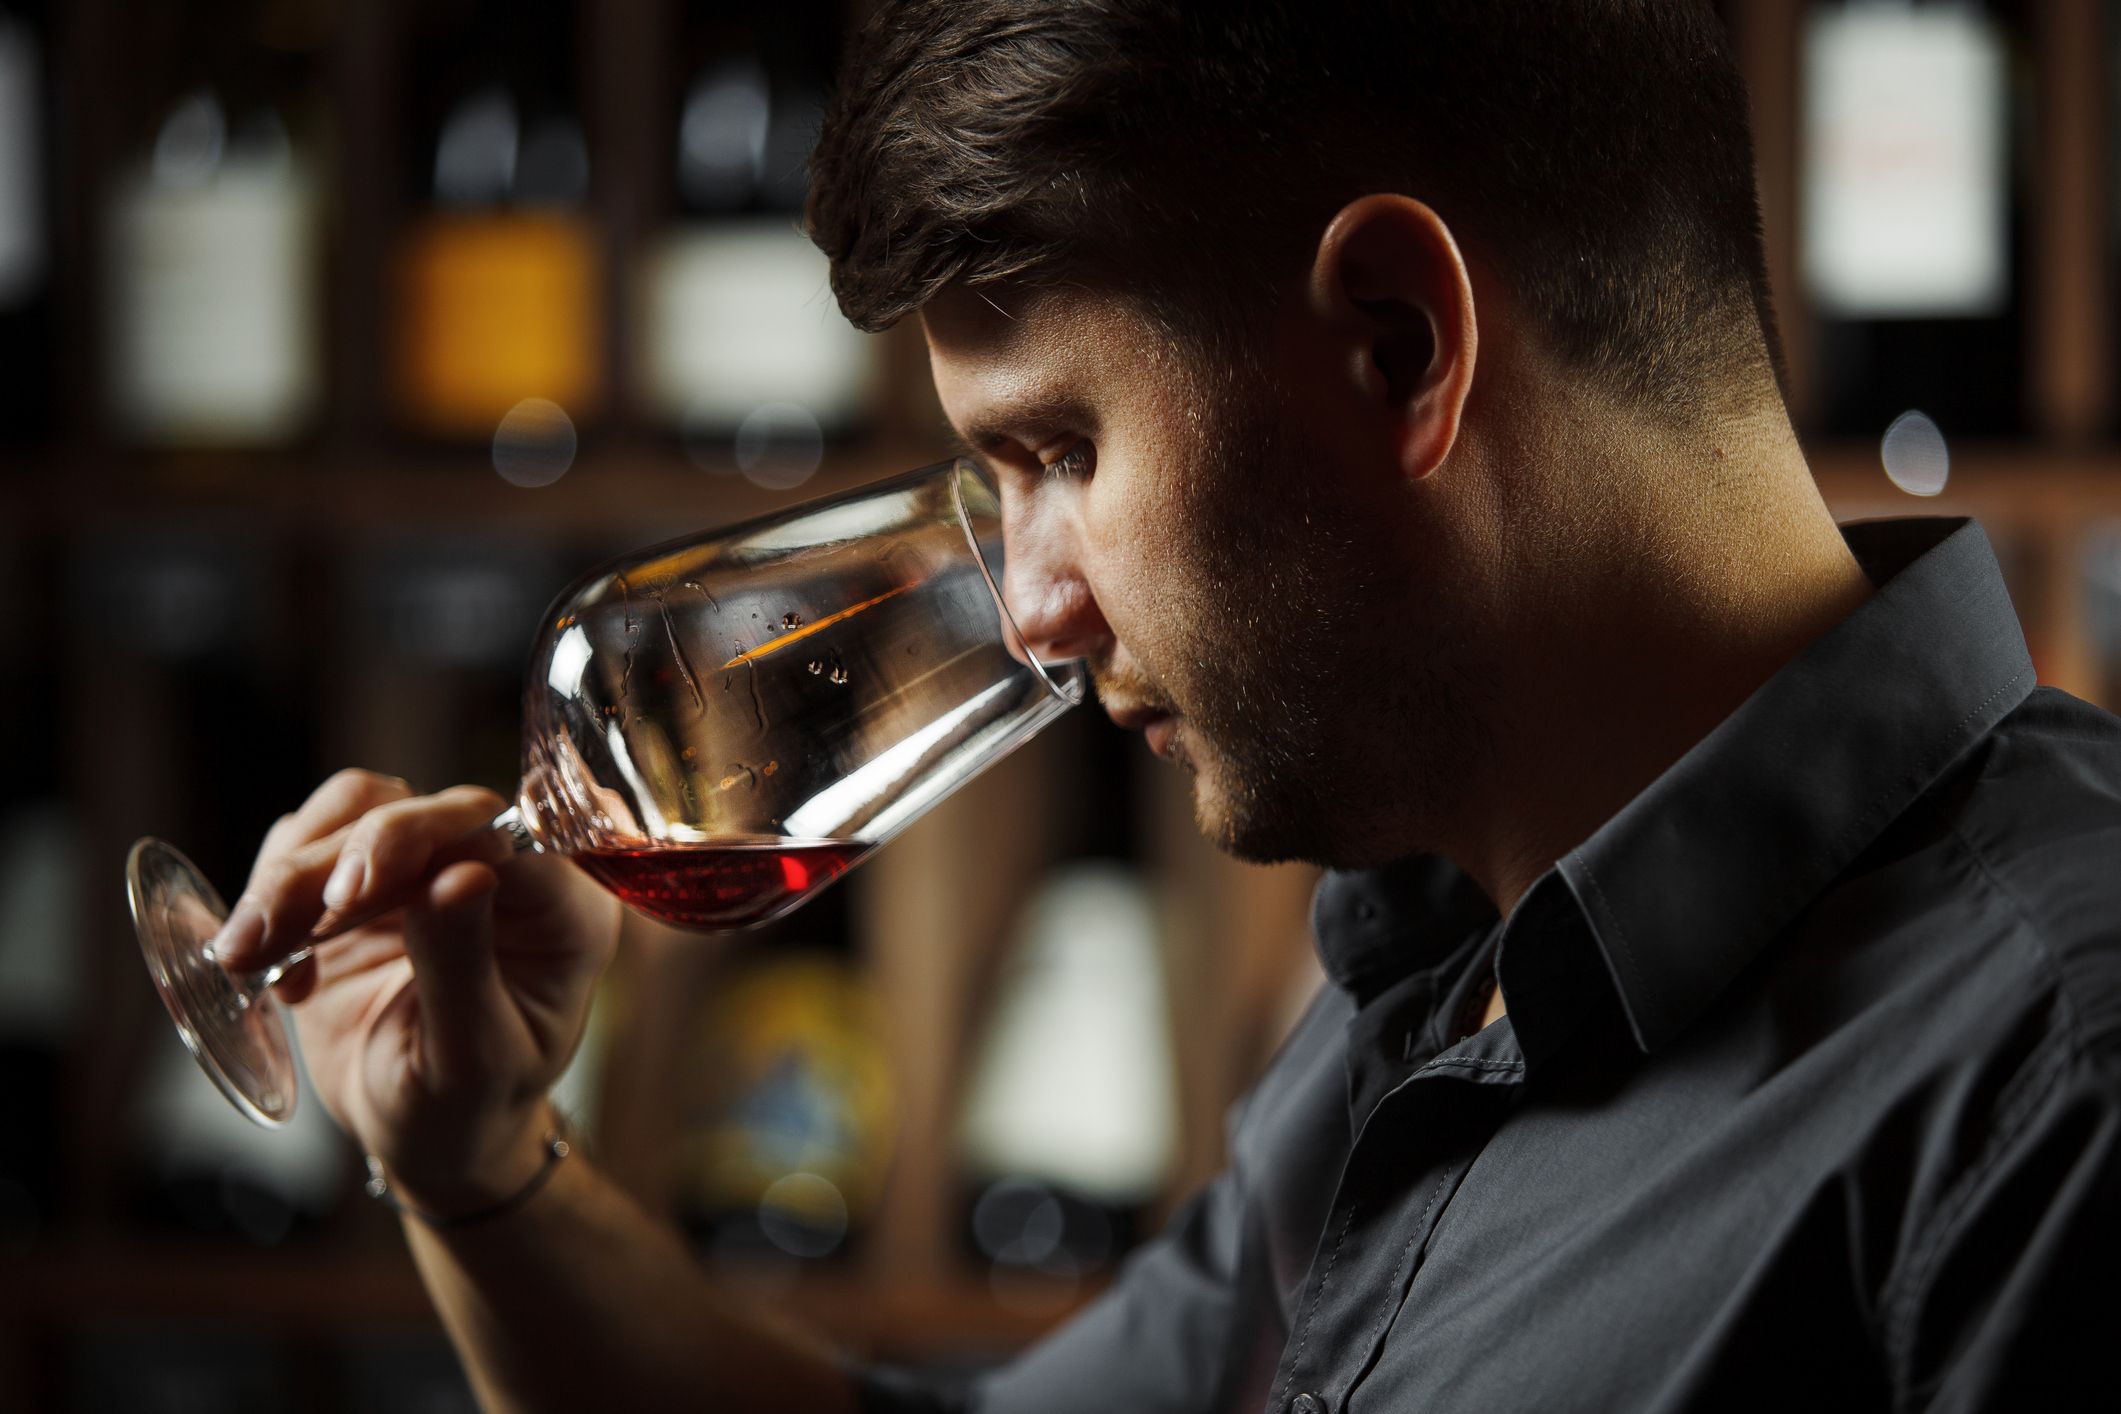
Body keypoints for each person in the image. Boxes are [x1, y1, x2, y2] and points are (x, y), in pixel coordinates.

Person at [212, 2, 2121, 1409]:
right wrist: (478, 1169)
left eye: (1056, 448)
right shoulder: (1447, 968)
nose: (1031, 613)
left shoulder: (2056, 1093)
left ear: (1397, 344)